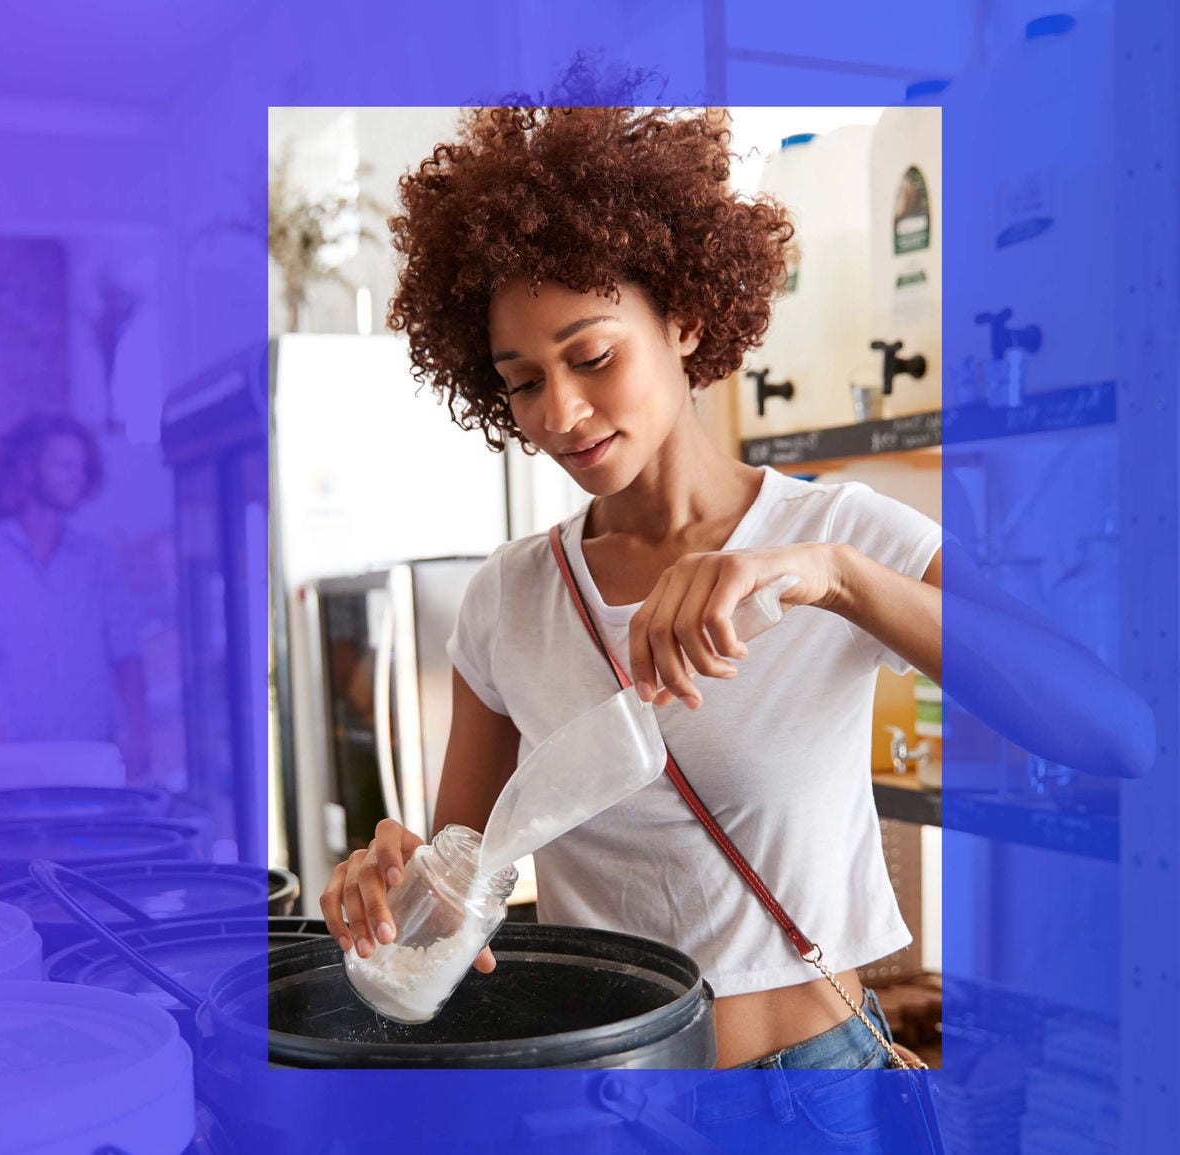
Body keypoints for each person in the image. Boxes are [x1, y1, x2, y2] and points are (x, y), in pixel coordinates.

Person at [318, 105, 1149, 1108]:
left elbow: (1115, 732)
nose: (560, 414)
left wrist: (836, 581)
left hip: (817, 1091)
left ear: (683, 317)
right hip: (611, 1098)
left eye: (590, 356)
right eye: (521, 382)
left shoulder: (837, 535)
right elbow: (457, 892)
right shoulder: (508, 599)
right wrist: (388, 887)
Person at [0, 412, 150, 779]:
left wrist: (139, 731)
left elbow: (126, 652)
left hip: (94, 760)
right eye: (64, 465)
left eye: (82, 468)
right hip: (13, 765)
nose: (76, 477)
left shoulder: (98, 559)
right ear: (26, 468)